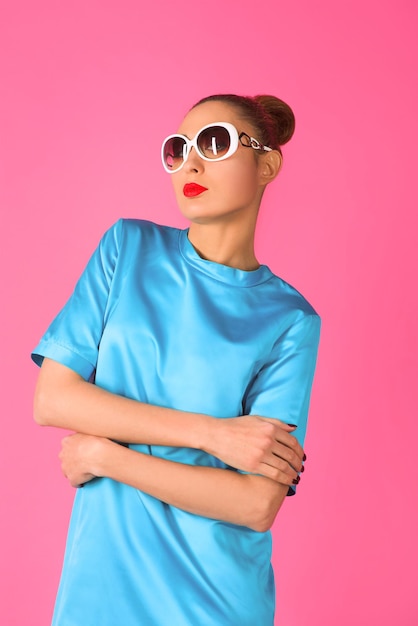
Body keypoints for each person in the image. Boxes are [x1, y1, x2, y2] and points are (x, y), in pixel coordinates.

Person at [32, 93, 321, 626]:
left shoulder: (290, 320)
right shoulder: (127, 249)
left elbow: (256, 505)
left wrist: (107, 457)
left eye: (215, 143)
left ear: (268, 163)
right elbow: (53, 398)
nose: (190, 162)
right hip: (102, 583)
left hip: (213, 600)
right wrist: (212, 434)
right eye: (177, 148)